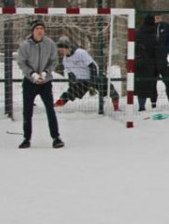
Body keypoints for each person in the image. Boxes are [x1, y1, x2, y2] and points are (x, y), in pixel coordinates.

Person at [15, 18, 62, 149]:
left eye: (42, 28)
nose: (40, 31)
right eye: (37, 29)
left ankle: (56, 137)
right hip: (30, 82)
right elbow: (21, 62)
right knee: (27, 111)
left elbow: (54, 61)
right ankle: (26, 138)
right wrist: (32, 74)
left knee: (50, 109)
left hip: (46, 82)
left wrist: (46, 72)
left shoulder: (50, 44)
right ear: (32, 31)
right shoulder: (25, 45)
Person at [54, 37, 121, 111]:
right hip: (82, 80)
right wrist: (72, 84)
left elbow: (93, 66)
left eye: (62, 48)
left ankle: (116, 109)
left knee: (111, 90)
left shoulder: (80, 52)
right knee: (70, 93)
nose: (61, 51)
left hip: (95, 75)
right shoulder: (65, 60)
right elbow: (70, 75)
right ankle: (56, 106)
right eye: (59, 49)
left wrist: (92, 82)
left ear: (67, 47)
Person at [134, 15, 165, 112]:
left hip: (139, 63)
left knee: (140, 86)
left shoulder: (138, 33)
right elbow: (157, 52)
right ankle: (153, 104)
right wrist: (158, 66)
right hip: (151, 64)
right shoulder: (154, 35)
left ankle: (141, 106)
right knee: (152, 85)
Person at [152, 13, 169, 102]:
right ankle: (153, 102)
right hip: (152, 60)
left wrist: (168, 52)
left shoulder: (166, 26)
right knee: (152, 82)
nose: (157, 18)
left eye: (159, 16)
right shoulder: (150, 27)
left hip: (163, 59)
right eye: (156, 16)